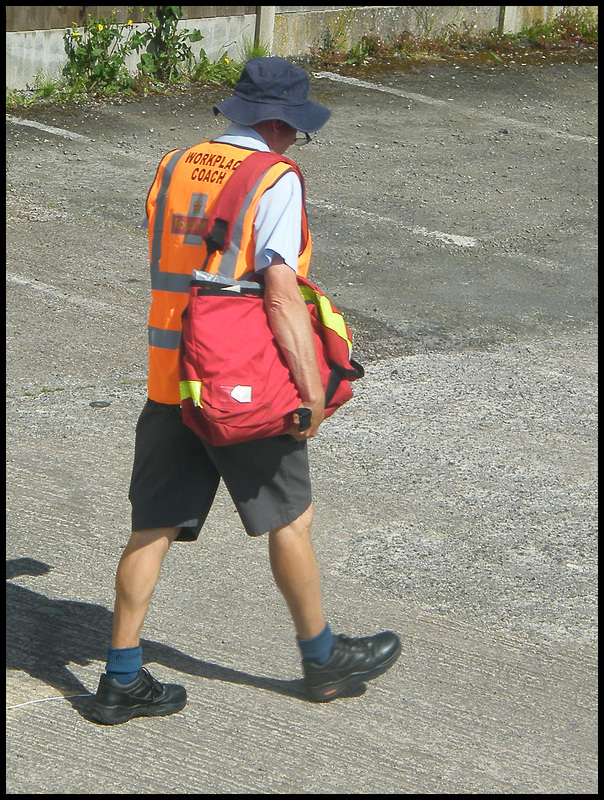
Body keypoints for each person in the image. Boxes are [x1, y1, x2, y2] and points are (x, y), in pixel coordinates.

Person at [90, 57, 400, 725]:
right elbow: (280, 294)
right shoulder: (273, 178)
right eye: (295, 129)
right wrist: (312, 393)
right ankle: (321, 662)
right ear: (278, 121)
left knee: (153, 524)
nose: (295, 141)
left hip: (170, 378)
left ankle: (119, 678)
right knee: (290, 518)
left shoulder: (175, 166)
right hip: (237, 385)